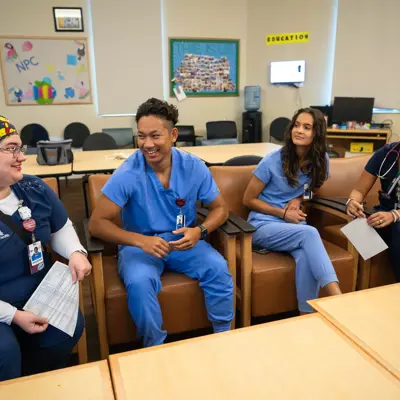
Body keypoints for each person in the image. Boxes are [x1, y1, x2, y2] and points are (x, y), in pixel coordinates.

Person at [89, 98, 234, 347]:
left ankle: (224, 337)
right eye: (141, 136)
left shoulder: (193, 167)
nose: (147, 144)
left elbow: (221, 208)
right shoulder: (128, 172)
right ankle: (154, 348)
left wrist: (200, 231)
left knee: (218, 268)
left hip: (183, 242)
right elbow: (97, 224)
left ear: (173, 134)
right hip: (140, 245)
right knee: (140, 283)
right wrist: (140, 241)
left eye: (155, 136)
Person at [0, 116, 92, 382]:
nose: (22, 157)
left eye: (20, 148)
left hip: (40, 293)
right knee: (4, 352)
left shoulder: (34, 187)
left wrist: (75, 252)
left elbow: (60, 227)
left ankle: (37, 383)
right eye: (11, 148)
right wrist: (14, 316)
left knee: (68, 328)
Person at [243, 108, 342, 314]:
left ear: (317, 133)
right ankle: (339, 301)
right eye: (296, 125)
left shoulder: (321, 160)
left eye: (307, 127)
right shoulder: (272, 160)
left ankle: (306, 315)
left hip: (292, 225)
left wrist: (298, 199)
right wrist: (282, 213)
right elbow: (248, 199)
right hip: (263, 224)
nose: (299, 130)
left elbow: (311, 188)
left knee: (306, 257)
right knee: (311, 233)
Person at [346, 141, 400, 281]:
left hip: (395, 217)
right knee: (358, 230)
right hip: (384, 211)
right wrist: (352, 202)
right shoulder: (387, 153)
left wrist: (395, 215)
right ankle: (362, 288)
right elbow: (359, 190)